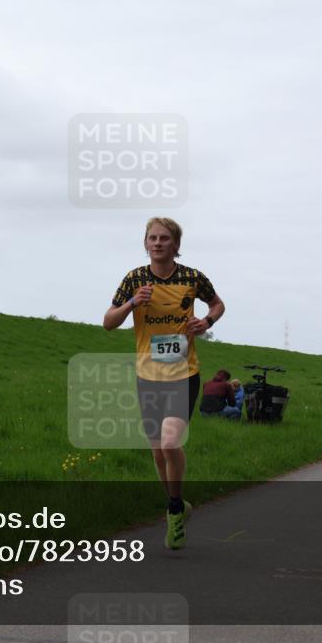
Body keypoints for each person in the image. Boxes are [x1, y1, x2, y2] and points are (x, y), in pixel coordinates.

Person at [103, 217, 225, 550]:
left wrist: (207, 320)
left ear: (175, 244)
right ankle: (178, 503)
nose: (157, 243)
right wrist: (131, 304)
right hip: (148, 376)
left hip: (184, 373)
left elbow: (217, 303)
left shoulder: (192, 277)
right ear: (145, 243)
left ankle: (173, 511)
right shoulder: (134, 279)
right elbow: (108, 323)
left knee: (170, 443)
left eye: (164, 238)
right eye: (152, 238)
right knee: (158, 452)